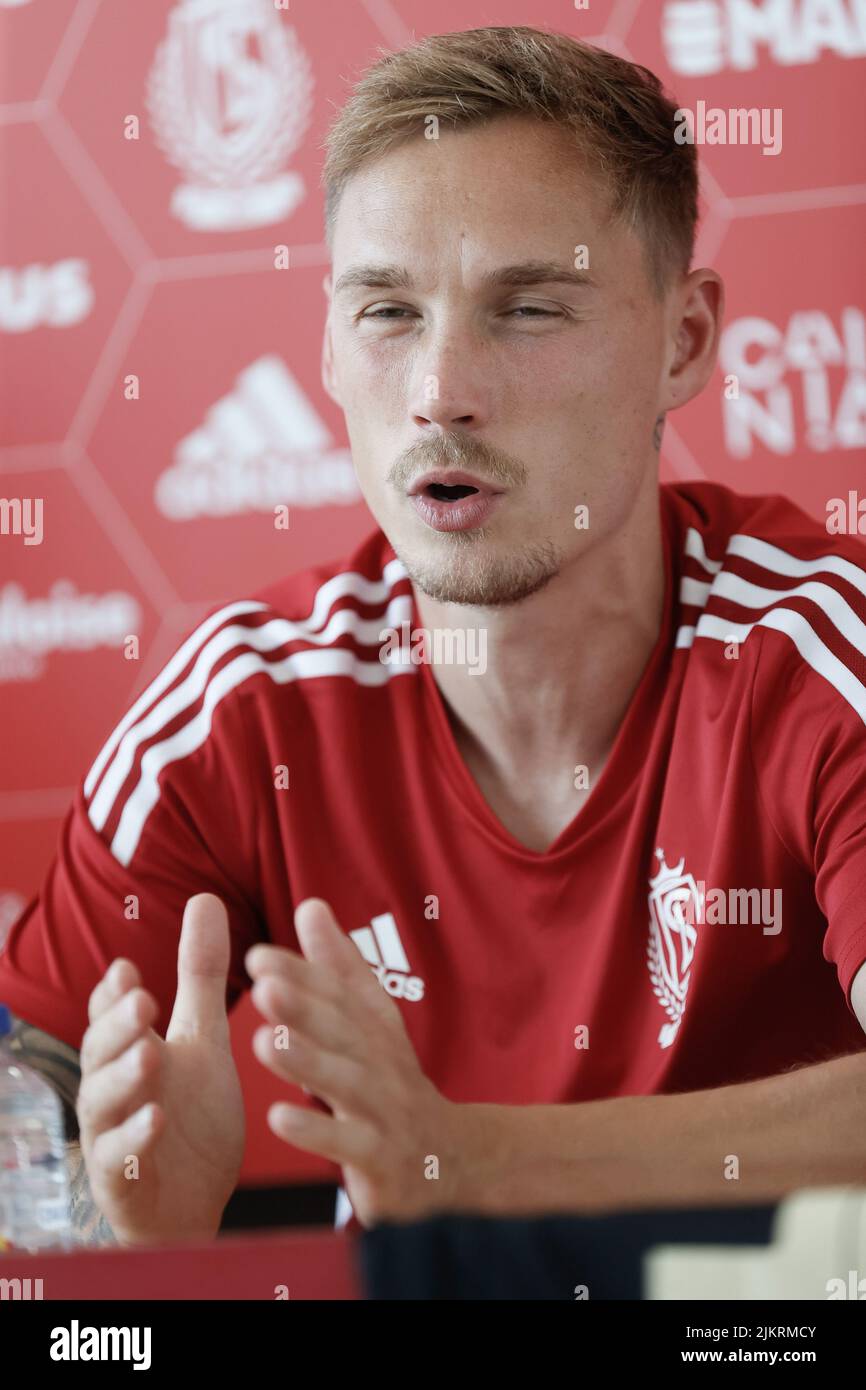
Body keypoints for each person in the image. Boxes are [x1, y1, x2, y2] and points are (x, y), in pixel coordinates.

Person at [2, 26, 865, 1248]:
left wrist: (476, 1160)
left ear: (683, 340)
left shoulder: (818, 654)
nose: (440, 387)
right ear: (325, 346)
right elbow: (23, 1093)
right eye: (388, 310)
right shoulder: (242, 706)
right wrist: (130, 1242)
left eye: (525, 308)